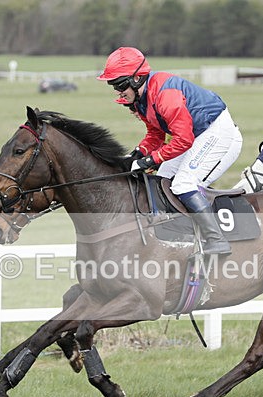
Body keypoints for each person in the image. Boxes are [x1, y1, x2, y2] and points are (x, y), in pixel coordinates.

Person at [97, 46, 243, 255]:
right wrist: (138, 154)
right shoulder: (141, 99)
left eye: (120, 85)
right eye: (113, 85)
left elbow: (183, 140)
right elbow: (155, 135)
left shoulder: (166, 96)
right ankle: (175, 235)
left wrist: (150, 161)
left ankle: (216, 239)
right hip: (196, 135)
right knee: (163, 179)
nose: (118, 91)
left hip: (216, 132)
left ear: (137, 79)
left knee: (184, 183)